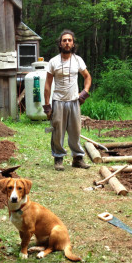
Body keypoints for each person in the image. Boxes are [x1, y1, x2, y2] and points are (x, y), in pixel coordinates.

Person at [43, 30, 92, 171]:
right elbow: (47, 85)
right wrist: (47, 106)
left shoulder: (78, 60)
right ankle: (58, 158)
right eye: (64, 40)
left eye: (69, 40)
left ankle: (78, 159)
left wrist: (84, 93)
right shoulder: (53, 61)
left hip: (74, 101)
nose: (67, 42)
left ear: (73, 43)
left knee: (75, 131)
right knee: (57, 131)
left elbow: (87, 77)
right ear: (60, 43)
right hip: (58, 101)